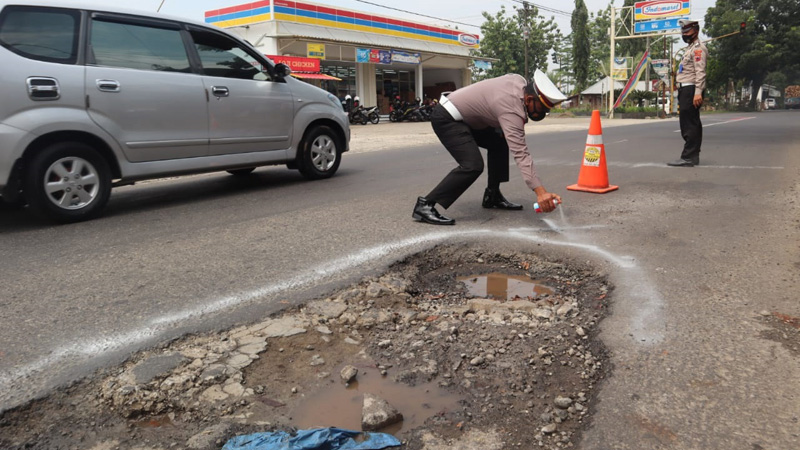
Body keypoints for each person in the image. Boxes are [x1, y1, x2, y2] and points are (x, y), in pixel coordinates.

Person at [412, 70, 567, 225]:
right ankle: (425, 205)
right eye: (542, 108)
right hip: (448, 118)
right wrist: (541, 192)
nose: (543, 113)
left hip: (468, 119)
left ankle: (492, 196)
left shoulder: (519, 81)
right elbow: (521, 153)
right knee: (472, 165)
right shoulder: (511, 109)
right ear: (529, 98)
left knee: (499, 141)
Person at [668, 19, 708, 167]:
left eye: (687, 32)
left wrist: (698, 92)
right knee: (689, 122)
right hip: (686, 88)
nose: (684, 34)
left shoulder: (698, 48)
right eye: (683, 32)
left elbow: (700, 72)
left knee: (690, 123)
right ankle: (692, 156)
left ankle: (689, 156)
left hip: (691, 89)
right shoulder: (690, 48)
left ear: (696, 31)